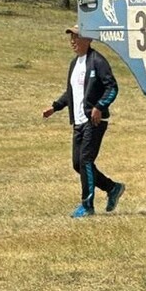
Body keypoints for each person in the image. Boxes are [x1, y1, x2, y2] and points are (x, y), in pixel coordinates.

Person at [43, 25, 124, 218]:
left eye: (77, 37)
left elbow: (112, 87)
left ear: (88, 39)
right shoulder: (74, 64)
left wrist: (99, 106)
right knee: (77, 164)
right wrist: (55, 107)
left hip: (94, 121)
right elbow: (71, 93)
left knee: (86, 160)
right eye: (71, 37)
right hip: (78, 121)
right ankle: (113, 188)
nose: (73, 41)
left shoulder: (98, 61)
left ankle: (87, 206)